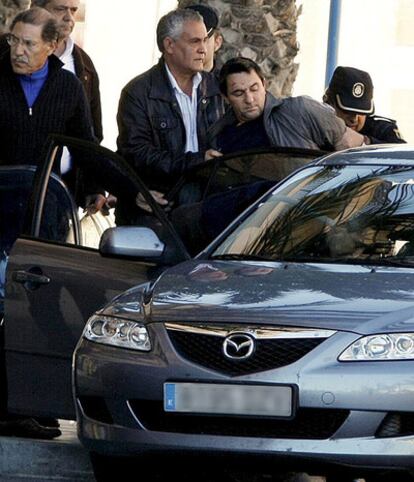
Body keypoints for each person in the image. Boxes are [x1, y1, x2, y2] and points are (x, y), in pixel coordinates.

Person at [116, 8, 226, 225]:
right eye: (195, 41)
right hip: (159, 205)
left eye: (205, 40)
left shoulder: (218, 88)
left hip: (209, 205)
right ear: (169, 45)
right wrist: (196, 162)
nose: (203, 49)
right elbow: (137, 154)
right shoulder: (139, 92)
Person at [211, 56, 366, 153]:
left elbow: (355, 148)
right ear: (225, 97)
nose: (249, 99)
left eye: (254, 88)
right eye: (239, 93)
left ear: (264, 84)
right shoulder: (218, 137)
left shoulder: (299, 110)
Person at [30, 0, 103, 142]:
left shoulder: (85, 63)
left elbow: (93, 131)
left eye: (74, 10)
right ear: (35, 10)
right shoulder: (8, 55)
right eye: (60, 9)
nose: (69, 17)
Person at [323, 66, 406, 144]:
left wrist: (365, 143)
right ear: (329, 103)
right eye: (347, 111)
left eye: (361, 111)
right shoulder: (316, 127)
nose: (354, 119)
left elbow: (404, 156)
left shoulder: (383, 130)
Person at [185, 3, 223, 73]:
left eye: (204, 40)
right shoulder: (160, 79)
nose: (196, 47)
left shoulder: (225, 82)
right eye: (190, 41)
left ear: (217, 43)